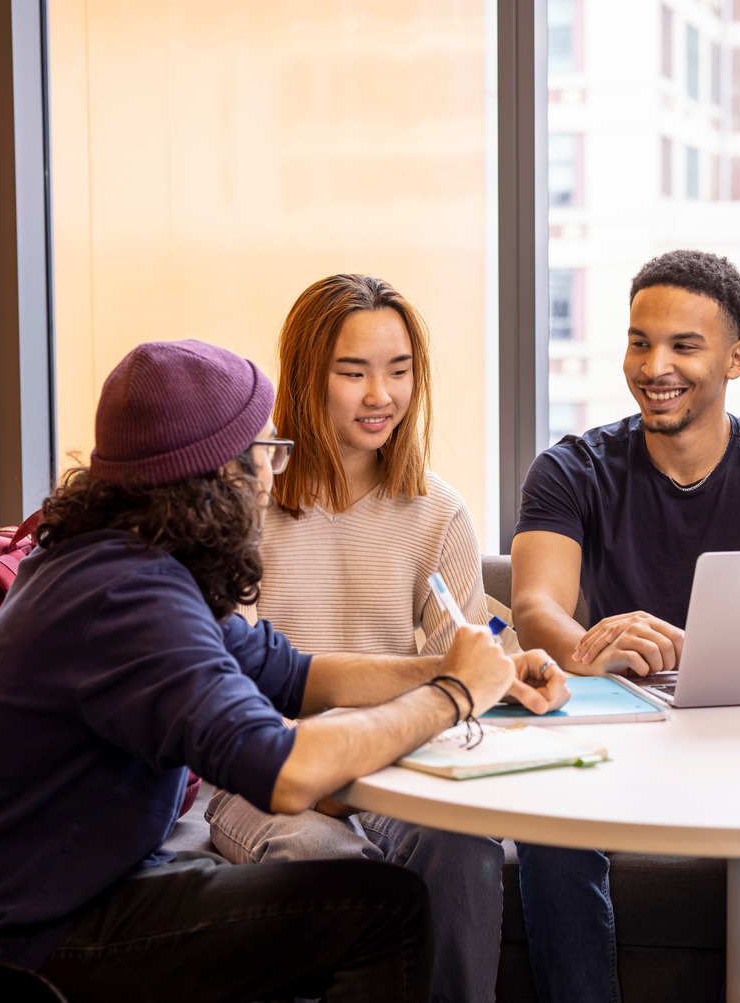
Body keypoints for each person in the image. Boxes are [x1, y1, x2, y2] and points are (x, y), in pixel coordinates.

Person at [0, 339, 564, 1003]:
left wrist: (458, 667)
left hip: (61, 897)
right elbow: (287, 771)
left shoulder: (117, 559)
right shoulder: (128, 598)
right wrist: (453, 694)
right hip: (23, 943)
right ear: (217, 477)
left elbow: (292, 674)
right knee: (381, 908)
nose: (274, 472)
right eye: (266, 451)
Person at [510, 249, 740, 1003]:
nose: (654, 365)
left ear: (737, 357)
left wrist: (703, 651)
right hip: (616, 740)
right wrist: (587, 646)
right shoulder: (570, 468)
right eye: (640, 341)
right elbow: (534, 607)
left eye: (683, 345)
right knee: (549, 829)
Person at [204, 274, 567, 1003]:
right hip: (268, 779)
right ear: (309, 376)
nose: (381, 395)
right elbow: (231, 694)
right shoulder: (249, 504)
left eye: (399, 371)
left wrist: (506, 668)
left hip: (396, 771)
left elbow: (461, 663)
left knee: (463, 846)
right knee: (331, 858)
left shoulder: (438, 512)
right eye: (354, 372)